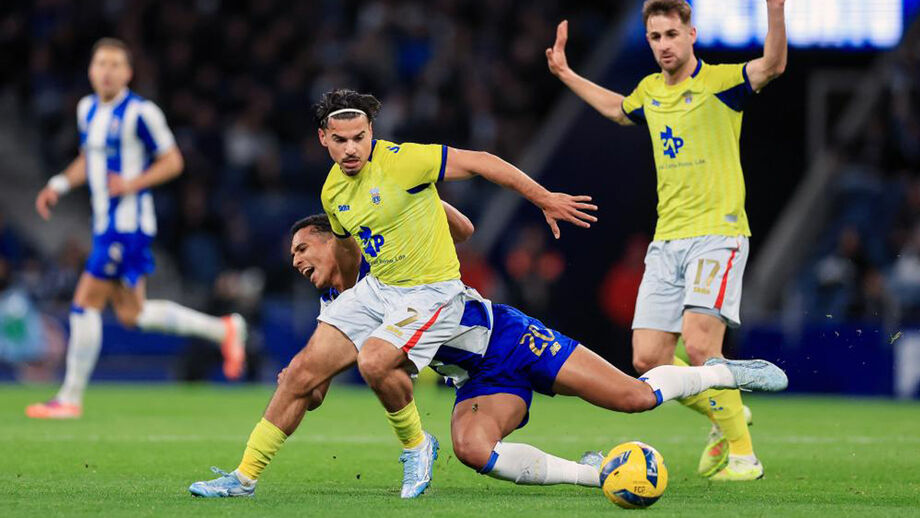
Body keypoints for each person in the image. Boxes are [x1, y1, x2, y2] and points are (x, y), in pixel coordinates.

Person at [188, 213, 787, 497]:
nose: (295, 260)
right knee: (473, 451)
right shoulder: (340, 311)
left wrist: (414, 195)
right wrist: (303, 394)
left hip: (513, 338)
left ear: (335, 234)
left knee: (633, 397)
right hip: (475, 374)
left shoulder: (396, 262)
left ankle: (719, 371)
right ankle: (594, 471)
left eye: (302, 245)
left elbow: (456, 224)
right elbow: (303, 381)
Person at [546, 0, 787, 480]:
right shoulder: (651, 90)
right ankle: (725, 410)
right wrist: (566, 73)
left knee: (700, 348)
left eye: (671, 35)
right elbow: (619, 109)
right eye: (655, 38)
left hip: (717, 234)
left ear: (691, 34)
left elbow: (774, 64)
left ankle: (742, 454)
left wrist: (775, 9)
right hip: (667, 241)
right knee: (648, 359)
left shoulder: (722, 83)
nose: (663, 46)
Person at [26, 38, 247, 420]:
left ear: (128, 73)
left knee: (84, 303)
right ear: (91, 70)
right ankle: (223, 329)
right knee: (133, 314)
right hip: (105, 224)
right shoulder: (87, 109)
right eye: (100, 63)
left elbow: (173, 161)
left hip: (126, 226)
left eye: (115, 65)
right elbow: (88, 158)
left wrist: (132, 183)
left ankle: (69, 398)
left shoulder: (141, 113)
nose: (107, 71)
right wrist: (59, 184)